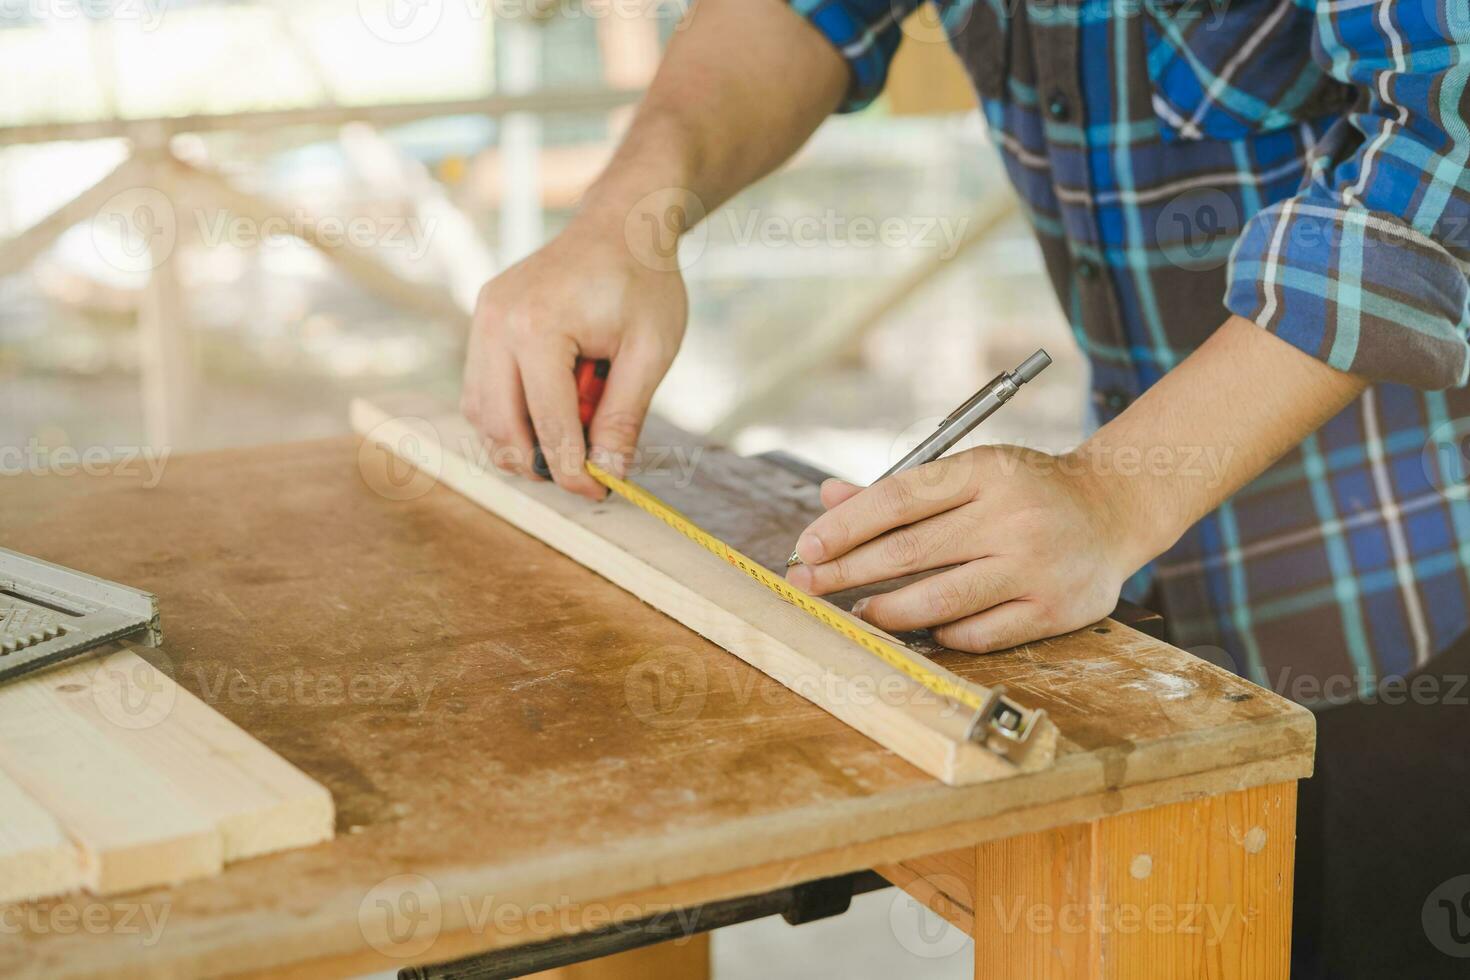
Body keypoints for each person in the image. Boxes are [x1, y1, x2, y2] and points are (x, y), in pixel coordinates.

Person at [461, 1, 1470, 974]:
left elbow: (1446, 142)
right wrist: (626, 217)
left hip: (1414, 603)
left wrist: (1118, 490)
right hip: (1162, 609)